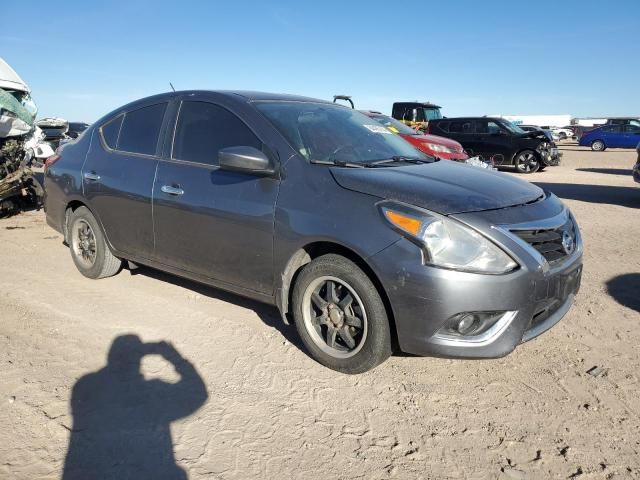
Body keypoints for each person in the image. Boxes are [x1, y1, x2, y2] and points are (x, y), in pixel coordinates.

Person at [62, 334, 207, 479]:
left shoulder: (85, 384)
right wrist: (172, 355)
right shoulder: (152, 392)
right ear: (139, 359)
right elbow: (199, 394)